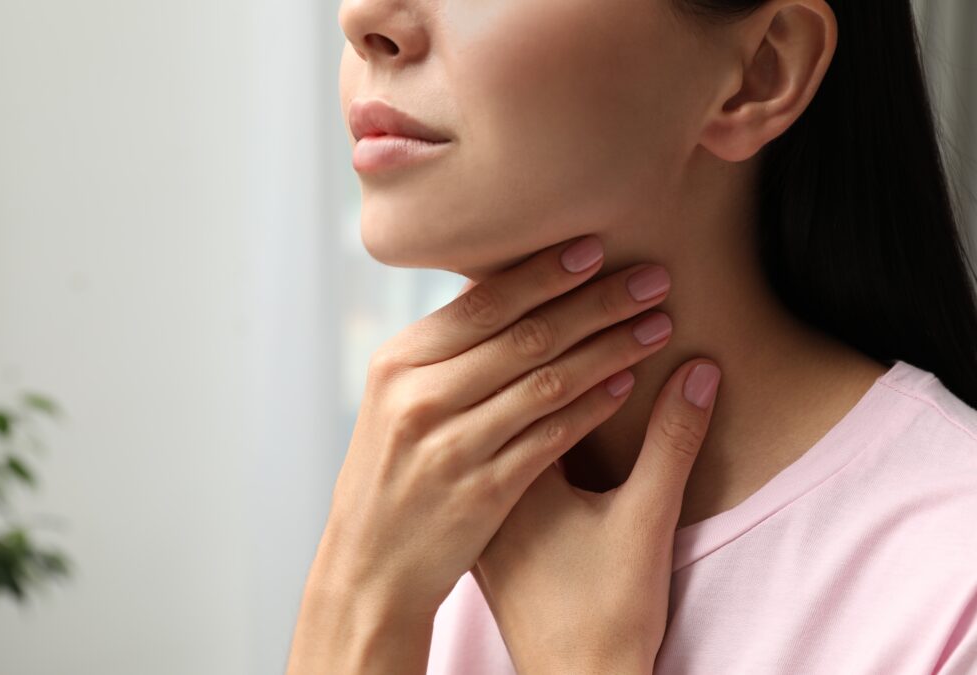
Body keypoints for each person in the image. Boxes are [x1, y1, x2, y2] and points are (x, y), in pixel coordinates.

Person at [287, 0, 977, 672]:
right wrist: (359, 603)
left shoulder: (954, 588)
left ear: (761, 71)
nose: (362, 18)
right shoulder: (409, 512)